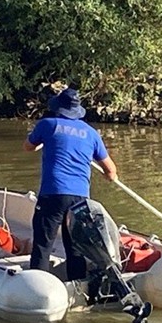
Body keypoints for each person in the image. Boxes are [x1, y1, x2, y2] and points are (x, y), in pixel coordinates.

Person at [22, 87, 118, 279]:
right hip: (81, 199)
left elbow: (28, 147)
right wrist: (109, 176)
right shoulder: (91, 133)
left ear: (58, 107)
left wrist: (43, 142)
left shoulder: (47, 125)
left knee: (43, 244)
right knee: (76, 247)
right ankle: (78, 283)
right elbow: (111, 171)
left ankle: (38, 282)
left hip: (53, 194)